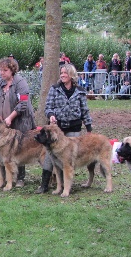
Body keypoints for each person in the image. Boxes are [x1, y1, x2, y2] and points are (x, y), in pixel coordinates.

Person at [35, 63, 92, 194]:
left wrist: (88, 128)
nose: (62, 75)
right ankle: (45, 184)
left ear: (71, 75)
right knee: (50, 157)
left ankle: (67, 186)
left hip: (74, 127)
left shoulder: (80, 91)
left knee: (70, 158)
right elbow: (48, 106)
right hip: (58, 128)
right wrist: (51, 115)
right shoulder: (54, 89)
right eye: (61, 73)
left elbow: (85, 111)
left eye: (65, 73)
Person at [0, 57, 36, 188]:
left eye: (5, 70)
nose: (2, 73)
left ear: (12, 70)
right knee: (3, 149)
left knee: (18, 148)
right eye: (0, 70)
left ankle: (20, 178)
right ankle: (4, 177)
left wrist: (10, 118)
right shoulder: (0, 83)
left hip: (20, 120)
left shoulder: (20, 82)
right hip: (3, 121)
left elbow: (23, 103)